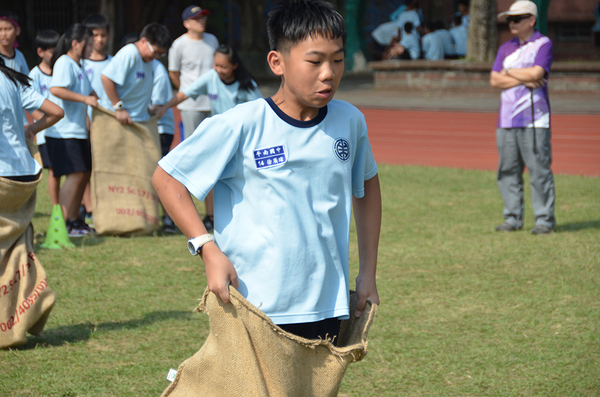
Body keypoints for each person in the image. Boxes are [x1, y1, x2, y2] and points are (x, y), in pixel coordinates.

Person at [152, 0, 381, 343]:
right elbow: (167, 178)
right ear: (278, 62)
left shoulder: (350, 121)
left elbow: (366, 188)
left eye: (337, 59)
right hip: (255, 304)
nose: (328, 73)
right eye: (315, 61)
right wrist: (207, 249)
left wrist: (368, 272)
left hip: (328, 304)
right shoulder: (242, 124)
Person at [490, 1, 555, 235]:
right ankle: (513, 217)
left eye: (516, 19)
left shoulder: (543, 44)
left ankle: (544, 220)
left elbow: (538, 73)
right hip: (506, 119)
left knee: (539, 169)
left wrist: (508, 72)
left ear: (532, 20)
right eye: (509, 19)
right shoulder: (505, 47)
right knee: (507, 170)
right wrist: (522, 76)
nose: (512, 24)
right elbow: (494, 80)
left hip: (535, 119)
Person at [47, 24, 98, 237]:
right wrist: (85, 99)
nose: (92, 47)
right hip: (63, 131)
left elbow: (90, 91)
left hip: (78, 131)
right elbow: (56, 89)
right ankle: (63, 223)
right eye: (89, 43)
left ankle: (76, 220)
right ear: (75, 44)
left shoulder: (79, 66)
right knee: (76, 175)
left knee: (85, 173)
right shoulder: (64, 63)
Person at [0, 57, 63, 182]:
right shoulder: (13, 79)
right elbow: (57, 112)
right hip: (26, 172)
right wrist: (31, 129)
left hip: (3, 172)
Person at [101, 23, 171, 125]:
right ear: (143, 41)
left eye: (161, 54)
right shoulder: (130, 53)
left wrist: (146, 109)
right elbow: (106, 78)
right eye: (155, 52)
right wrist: (118, 107)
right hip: (119, 120)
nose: (157, 57)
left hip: (139, 120)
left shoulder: (149, 61)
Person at [168, 5, 219, 140]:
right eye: (196, 19)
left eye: (203, 17)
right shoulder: (179, 44)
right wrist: (187, 91)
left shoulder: (212, 40)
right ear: (186, 24)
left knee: (214, 141)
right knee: (192, 142)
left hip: (213, 101)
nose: (201, 21)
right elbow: (173, 72)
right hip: (190, 105)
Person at [29, 29, 61, 206]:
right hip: (46, 132)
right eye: (52, 51)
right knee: (54, 171)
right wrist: (42, 123)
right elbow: (31, 105)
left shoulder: (61, 71)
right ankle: (57, 209)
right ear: (40, 52)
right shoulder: (34, 74)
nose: (56, 55)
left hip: (63, 131)